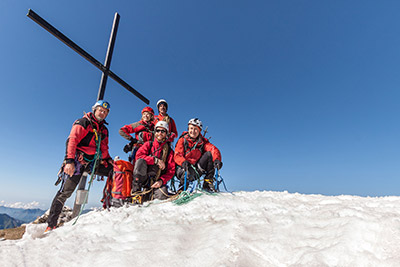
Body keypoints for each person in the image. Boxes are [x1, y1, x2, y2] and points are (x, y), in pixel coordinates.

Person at [46, 100, 113, 231]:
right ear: (94, 110)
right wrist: (69, 161)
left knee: (115, 171)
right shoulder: (83, 122)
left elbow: (104, 147)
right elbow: (72, 140)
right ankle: (51, 224)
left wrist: (108, 159)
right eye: (100, 110)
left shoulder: (104, 130)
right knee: (65, 192)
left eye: (105, 112)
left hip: (93, 161)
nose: (102, 113)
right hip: (77, 161)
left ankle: (113, 203)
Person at [131, 121, 175, 202]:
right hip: (145, 179)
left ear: (166, 134)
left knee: (162, 196)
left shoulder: (169, 151)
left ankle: (150, 195)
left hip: (157, 181)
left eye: (163, 131)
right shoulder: (148, 145)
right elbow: (139, 156)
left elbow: (171, 171)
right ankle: (136, 193)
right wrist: (155, 160)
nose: (160, 133)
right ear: (155, 132)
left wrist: (161, 181)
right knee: (140, 161)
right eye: (158, 130)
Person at [174, 118, 222, 192]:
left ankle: (207, 183)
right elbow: (177, 154)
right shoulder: (182, 140)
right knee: (186, 172)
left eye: (196, 129)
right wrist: (183, 161)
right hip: (182, 168)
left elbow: (213, 150)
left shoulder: (202, 142)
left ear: (199, 131)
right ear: (188, 129)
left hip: (196, 169)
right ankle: (181, 189)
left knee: (209, 154)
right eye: (191, 128)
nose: (193, 131)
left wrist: (217, 159)